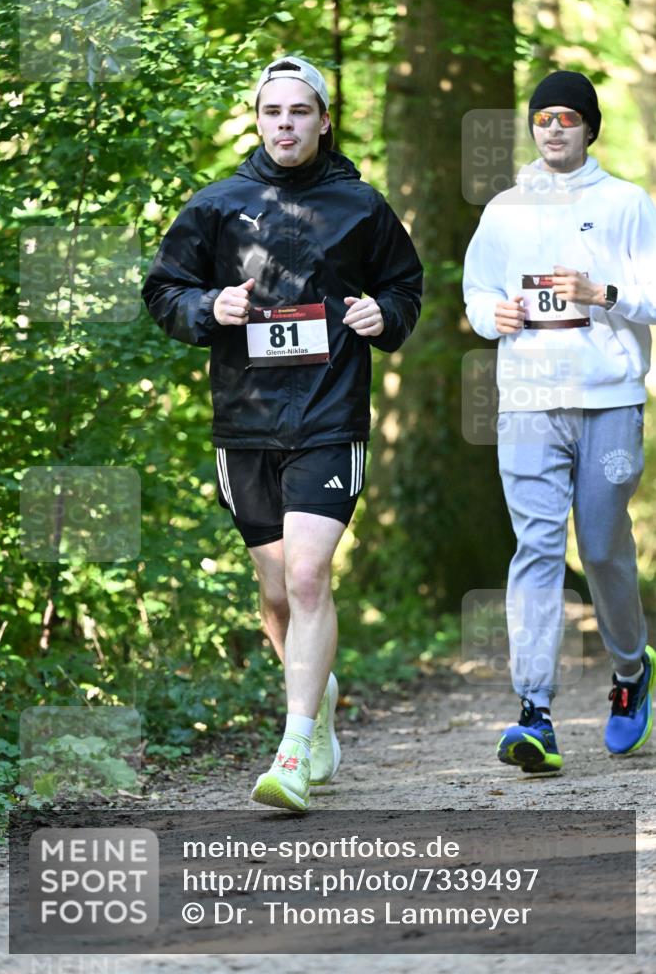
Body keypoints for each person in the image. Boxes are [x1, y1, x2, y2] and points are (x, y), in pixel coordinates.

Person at [142, 56, 422, 810]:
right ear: (258, 119)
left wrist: (384, 315)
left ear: (324, 120)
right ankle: (316, 696)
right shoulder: (217, 205)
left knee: (306, 576)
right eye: (273, 112)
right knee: (274, 596)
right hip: (247, 421)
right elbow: (164, 289)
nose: (286, 124)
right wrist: (208, 309)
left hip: (330, 415)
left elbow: (403, 285)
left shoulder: (360, 205)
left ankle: (293, 749)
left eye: (300, 111)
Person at [463, 70, 655, 774]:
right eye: (542, 117)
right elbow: (477, 289)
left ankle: (631, 670)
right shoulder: (505, 209)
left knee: (601, 547)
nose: (553, 128)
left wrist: (604, 292)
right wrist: (492, 314)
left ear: (589, 128)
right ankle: (534, 712)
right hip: (526, 402)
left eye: (567, 118)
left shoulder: (627, 203)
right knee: (537, 549)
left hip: (609, 399)